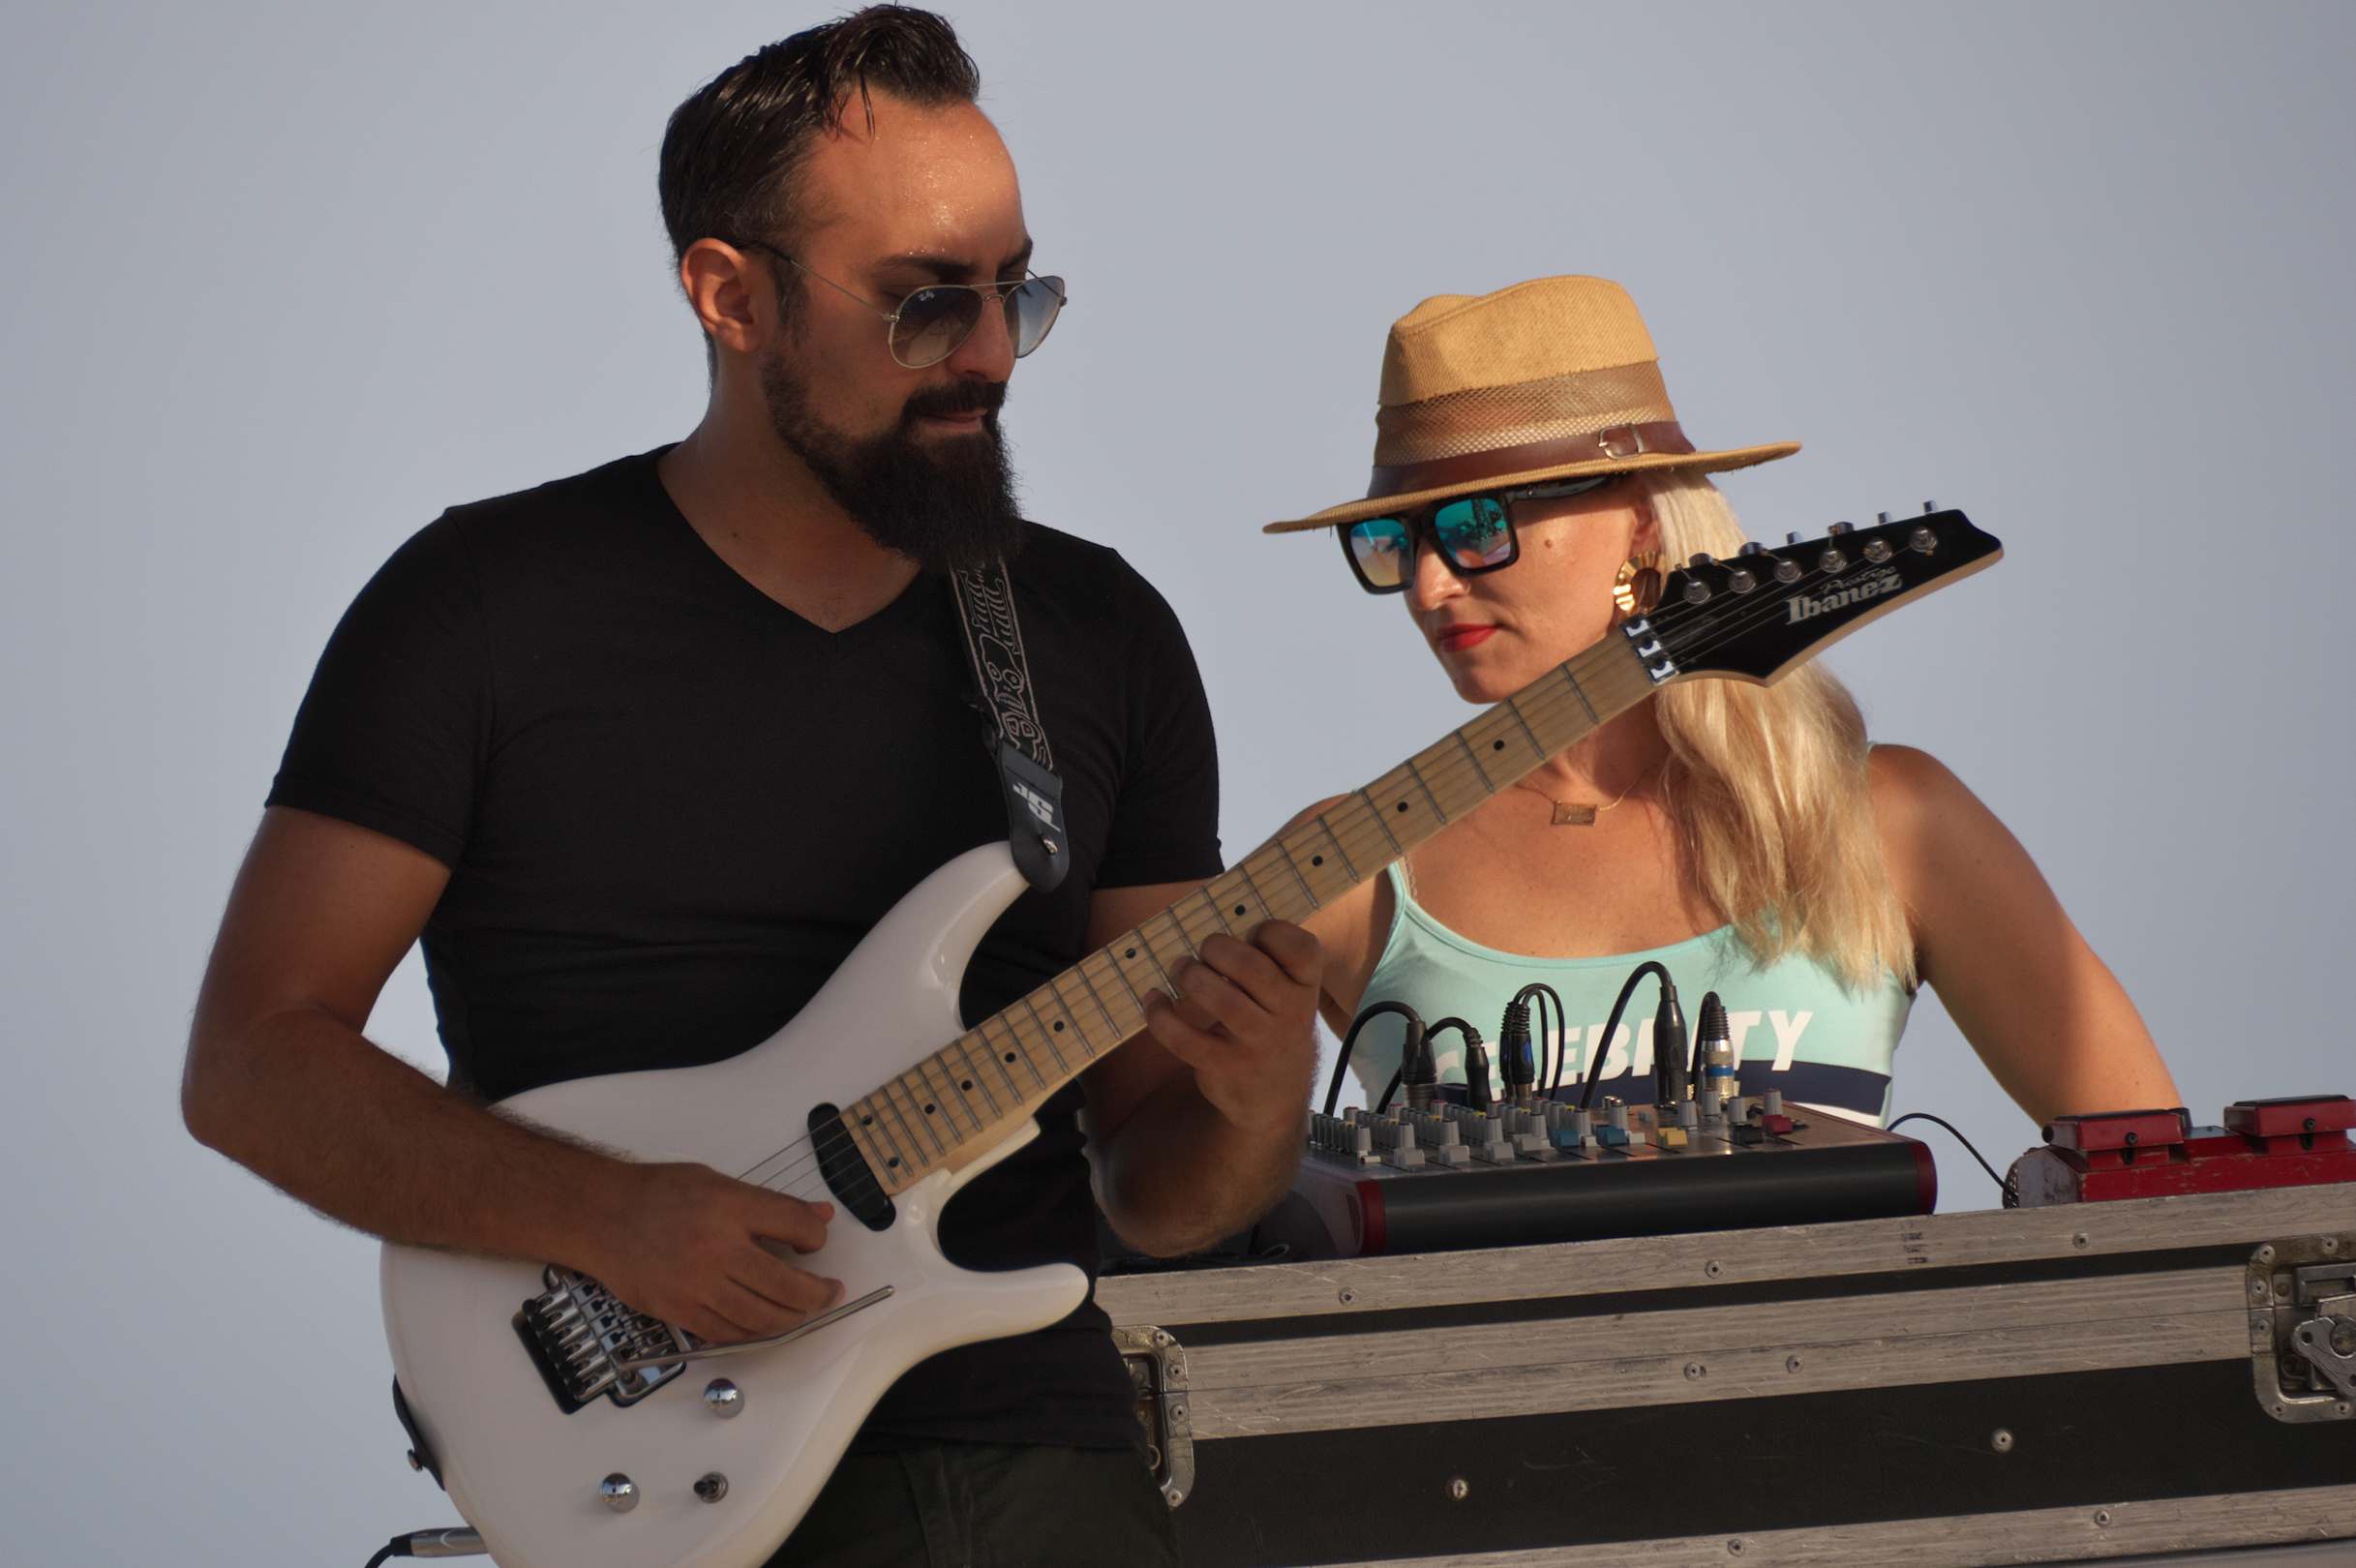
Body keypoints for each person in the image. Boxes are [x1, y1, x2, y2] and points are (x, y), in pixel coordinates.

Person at [178, 10, 1320, 1564]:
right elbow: (252, 1062)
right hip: (642, 1469)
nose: (989, 353)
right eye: (925, 303)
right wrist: (608, 1218)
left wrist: (1255, 1096)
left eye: (1015, 293)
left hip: (1032, 1470)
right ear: (730, 296)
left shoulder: (1093, 631)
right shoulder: (481, 608)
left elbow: (1162, 1192)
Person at [1265, 275, 2177, 1131]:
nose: (1427, 587)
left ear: (1641, 517)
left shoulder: (1888, 823)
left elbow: (2159, 1172)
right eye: (1394, 542)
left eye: (1474, 526)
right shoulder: (1348, 867)